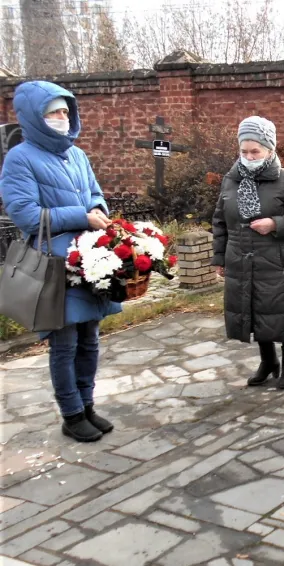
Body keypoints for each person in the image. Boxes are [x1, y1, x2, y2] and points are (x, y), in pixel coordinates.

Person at [0, 81, 122, 442]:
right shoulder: (20, 158)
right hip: (55, 264)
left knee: (90, 339)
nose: (62, 117)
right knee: (65, 343)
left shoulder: (77, 154)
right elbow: (25, 214)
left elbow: (95, 194)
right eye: (53, 111)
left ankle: (87, 405)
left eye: (66, 111)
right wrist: (82, 216)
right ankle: (71, 414)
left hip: (89, 259)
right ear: (34, 116)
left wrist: (97, 209)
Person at [211, 116, 284, 390]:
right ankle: (268, 362)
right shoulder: (231, 180)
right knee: (255, 312)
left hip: (277, 261)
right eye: (244, 151)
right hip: (240, 258)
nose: (248, 157)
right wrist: (219, 258)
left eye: (255, 151)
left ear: (270, 150)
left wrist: (275, 224)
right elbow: (220, 221)